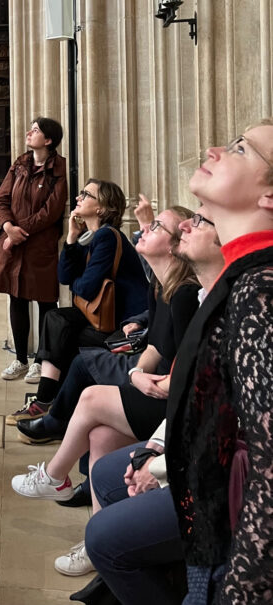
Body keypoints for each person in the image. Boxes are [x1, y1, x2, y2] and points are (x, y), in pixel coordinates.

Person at [78, 208, 224, 605]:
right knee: (101, 445)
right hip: (175, 426)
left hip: (214, 479)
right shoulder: (194, 293)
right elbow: (174, 365)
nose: (188, 226)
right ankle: (113, 566)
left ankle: (63, 487)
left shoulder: (212, 301)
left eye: (202, 220)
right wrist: (154, 449)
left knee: (88, 389)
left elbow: (209, 405)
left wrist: (157, 466)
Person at [10, 207, 198, 512]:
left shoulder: (186, 295)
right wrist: (137, 374)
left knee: (90, 395)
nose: (144, 230)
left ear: (175, 245)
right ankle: (99, 529)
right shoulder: (161, 285)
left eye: (156, 227)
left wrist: (150, 383)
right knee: (100, 436)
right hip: (152, 385)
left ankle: (55, 475)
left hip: (174, 404)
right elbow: (154, 347)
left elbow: (193, 368)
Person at [166, 122, 273, 604]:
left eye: (241, 149)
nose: (213, 150)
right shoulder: (245, 274)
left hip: (237, 550)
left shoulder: (261, 289)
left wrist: (242, 588)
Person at [26, 179, 149, 409]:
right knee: (56, 319)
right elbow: (64, 277)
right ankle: (50, 401)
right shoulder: (89, 237)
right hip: (105, 316)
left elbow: (86, 288)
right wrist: (71, 238)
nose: (78, 198)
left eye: (86, 194)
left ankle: (47, 401)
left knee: (63, 331)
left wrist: (78, 281)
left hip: (125, 325)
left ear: (101, 207)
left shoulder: (107, 236)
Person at [0, 116, 67, 383]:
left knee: (45, 302)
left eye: (35, 130)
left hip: (39, 246)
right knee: (17, 298)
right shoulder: (20, 164)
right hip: (13, 244)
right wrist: (8, 227)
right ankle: (21, 359)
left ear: (48, 140)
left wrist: (18, 233)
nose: (29, 133)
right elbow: (0, 200)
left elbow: (51, 212)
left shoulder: (59, 169)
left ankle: (41, 361)